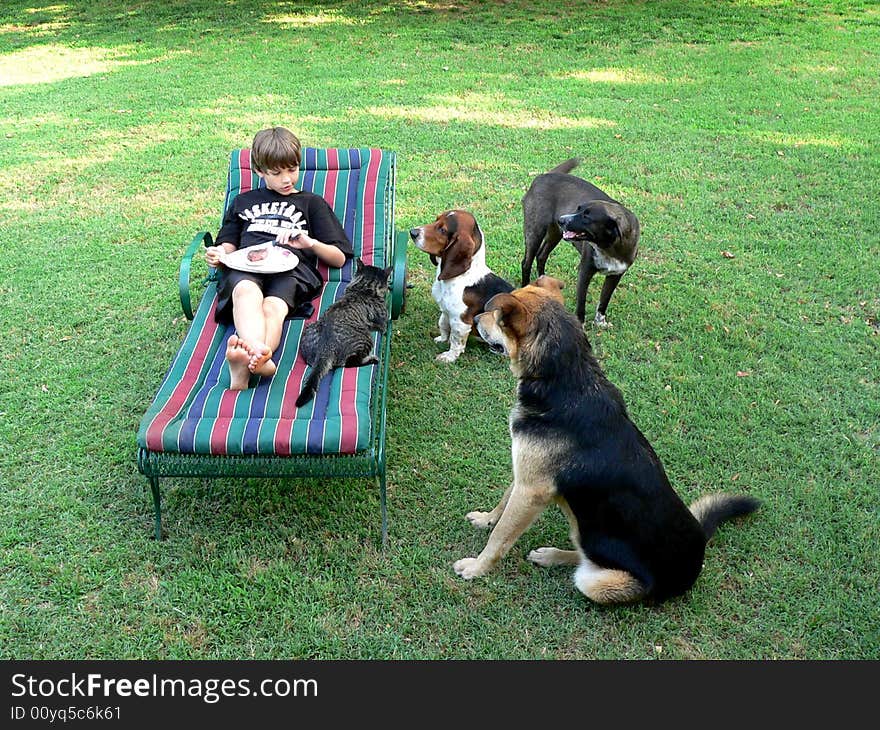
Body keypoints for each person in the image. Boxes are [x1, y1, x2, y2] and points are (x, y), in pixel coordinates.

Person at [205, 127, 353, 390]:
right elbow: (227, 242)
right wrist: (220, 254)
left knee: (273, 308)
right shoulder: (243, 202)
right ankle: (258, 357)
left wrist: (310, 242)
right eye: (277, 173)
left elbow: (339, 257)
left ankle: (248, 360)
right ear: (259, 171)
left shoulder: (311, 203)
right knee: (246, 292)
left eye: (292, 169)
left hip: (291, 269)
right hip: (246, 264)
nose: (287, 179)